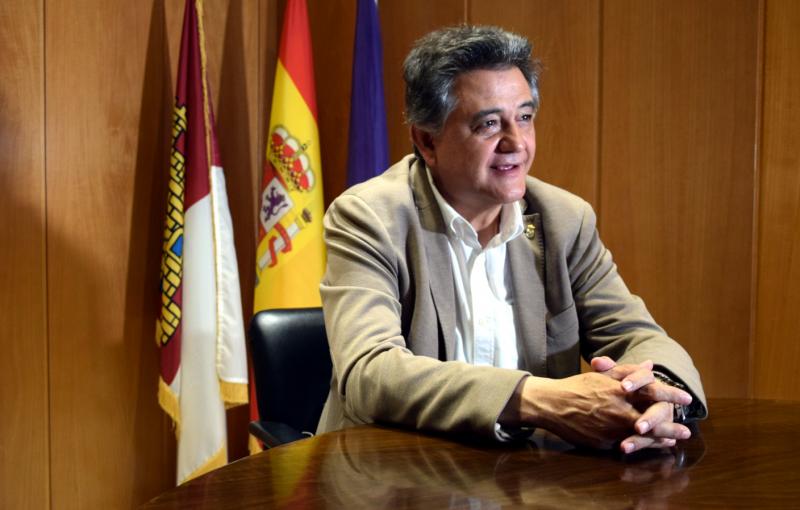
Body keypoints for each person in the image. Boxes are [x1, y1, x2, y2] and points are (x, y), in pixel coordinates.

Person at [317, 25, 706, 454]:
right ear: (427, 141)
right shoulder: (371, 217)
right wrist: (539, 399)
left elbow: (639, 337)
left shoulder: (563, 219)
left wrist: (658, 395)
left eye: (524, 117)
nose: (516, 143)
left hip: (528, 475)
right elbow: (370, 374)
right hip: (392, 469)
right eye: (488, 124)